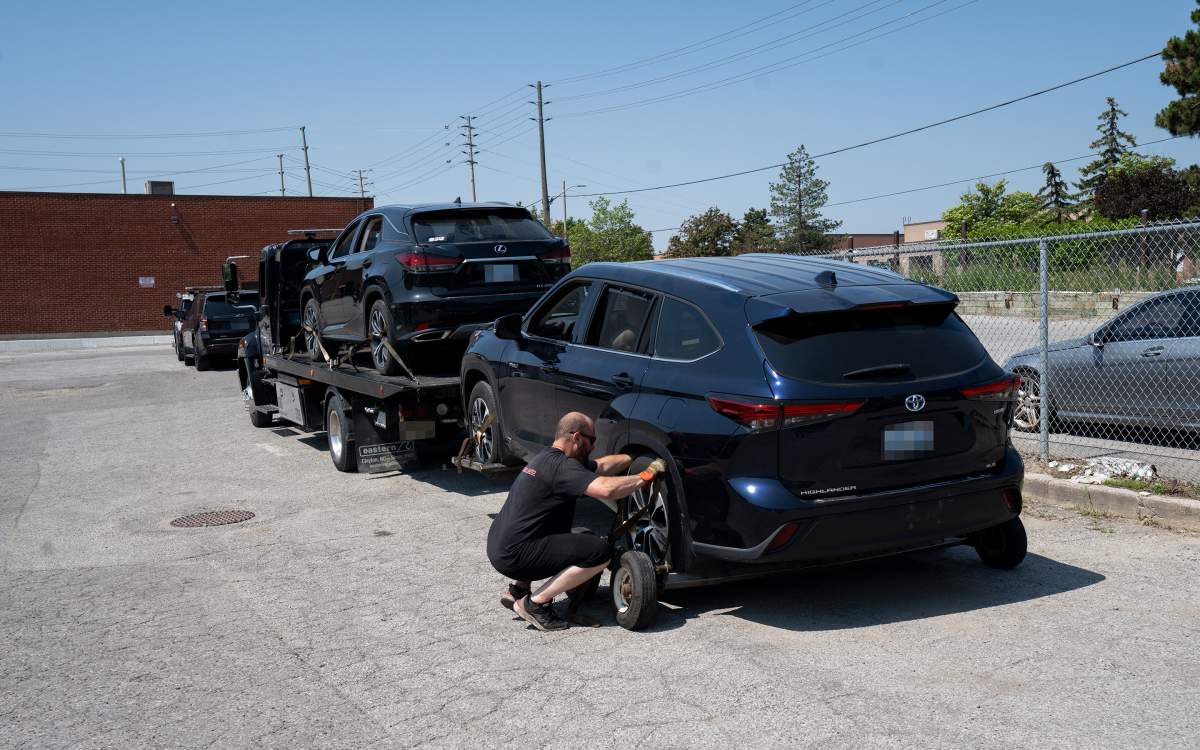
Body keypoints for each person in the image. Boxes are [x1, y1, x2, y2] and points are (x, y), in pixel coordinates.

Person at [486, 411, 666, 631]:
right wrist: (644, 476)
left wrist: (633, 456)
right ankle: (534, 604)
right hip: (516, 555)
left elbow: (600, 466)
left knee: (571, 533)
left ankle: (518, 590)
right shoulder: (564, 468)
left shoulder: (546, 459)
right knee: (600, 551)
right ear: (577, 437)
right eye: (592, 441)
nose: (593, 447)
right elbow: (607, 490)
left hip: (501, 546)